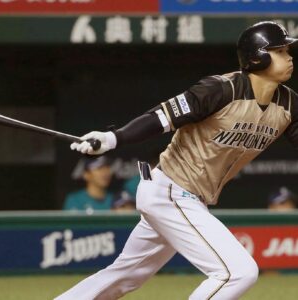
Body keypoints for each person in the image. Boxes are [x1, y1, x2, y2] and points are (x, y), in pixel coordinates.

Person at [55, 21, 298, 300]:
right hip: (170, 192)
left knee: (124, 275)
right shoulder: (219, 89)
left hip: (188, 198)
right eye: (280, 50)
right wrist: (113, 139)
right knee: (238, 272)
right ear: (258, 57)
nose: (289, 56)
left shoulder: (289, 104)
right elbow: (159, 118)